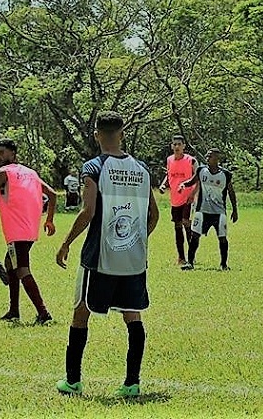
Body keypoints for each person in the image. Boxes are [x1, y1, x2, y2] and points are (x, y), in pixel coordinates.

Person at [55, 111, 159, 397]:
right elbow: (154, 215)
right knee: (133, 316)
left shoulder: (93, 167)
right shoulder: (141, 169)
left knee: (80, 313)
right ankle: (132, 383)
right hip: (134, 259)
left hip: (98, 258)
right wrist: (135, 240)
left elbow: (87, 211)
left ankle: (73, 381)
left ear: (97, 134)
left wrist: (65, 242)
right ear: (122, 134)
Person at [0, 138, 57, 323]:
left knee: (21, 269)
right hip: (28, 229)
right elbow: (52, 194)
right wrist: (49, 220)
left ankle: (44, 314)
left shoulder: (3, 173)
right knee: (10, 265)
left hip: (16, 231)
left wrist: (50, 219)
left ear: (13, 153)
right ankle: (13, 311)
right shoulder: (31, 173)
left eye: (1, 152)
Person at [178, 148, 238, 271]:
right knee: (195, 236)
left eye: (210, 156)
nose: (207, 158)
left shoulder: (225, 174)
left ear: (216, 159)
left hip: (219, 212)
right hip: (202, 211)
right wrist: (183, 184)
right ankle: (190, 263)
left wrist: (235, 210)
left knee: (222, 237)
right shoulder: (201, 170)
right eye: (207, 156)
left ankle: (223, 264)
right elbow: (192, 181)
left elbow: (231, 192)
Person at [158, 135, 197, 265]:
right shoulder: (169, 160)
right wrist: (164, 185)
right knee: (177, 226)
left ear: (184, 146)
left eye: (179, 144)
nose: (176, 147)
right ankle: (181, 257)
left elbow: (199, 179)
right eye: (174, 144)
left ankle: (191, 256)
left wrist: (193, 194)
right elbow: (168, 175)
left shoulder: (190, 160)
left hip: (188, 198)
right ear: (171, 146)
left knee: (186, 223)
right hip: (175, 199)